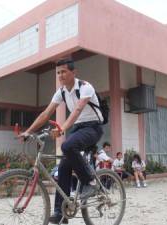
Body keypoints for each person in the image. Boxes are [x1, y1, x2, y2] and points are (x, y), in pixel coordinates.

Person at [19, 58, 104, 224]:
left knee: (67, 145)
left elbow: (78, 110)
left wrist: (63, 128)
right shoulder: (61, 92)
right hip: (78, 128)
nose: (60, 75)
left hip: (93, 127)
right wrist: (28, 132)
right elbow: (45, 114)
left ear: (73, 72)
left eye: (63, 71)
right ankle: (61, 213)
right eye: (58, 72)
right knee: (64, 166)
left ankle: (90, 181)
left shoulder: (85, 87)